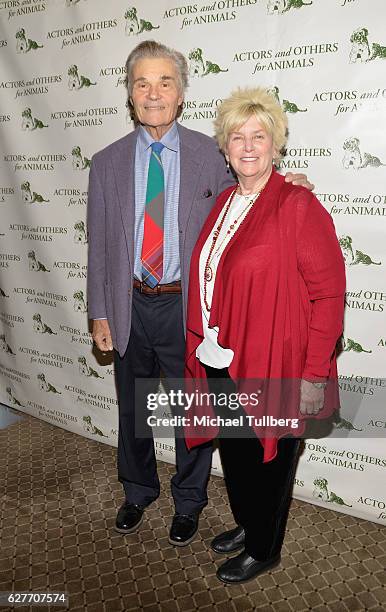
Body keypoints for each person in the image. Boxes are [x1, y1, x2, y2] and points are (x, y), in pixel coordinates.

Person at [87, 40, 313, 547]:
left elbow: (257, 184)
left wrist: (293, 181)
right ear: (129, 93)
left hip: (188, 309)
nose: (153, 93)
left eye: (165, 82)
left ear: (182, 92)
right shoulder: (106, 162)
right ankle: (138, 489)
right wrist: (99, 311)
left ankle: (189, 501)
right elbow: (99, 244)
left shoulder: (213, 155)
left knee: (195, 410)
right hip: (129, 304)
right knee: (134, 408)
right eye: (141, 83)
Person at [184, 87, 346, 582]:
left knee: (268, 459)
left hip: (276, 363)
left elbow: (330, 295)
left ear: (276, 145)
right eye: (238, 137)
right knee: (237, 452)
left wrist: (314, 374)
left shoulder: (297, 205)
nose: (249, 146)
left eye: (260, 136)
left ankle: (264, 545)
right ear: (225, 147)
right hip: (222, 359)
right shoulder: (225, 202)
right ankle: (249, 523)